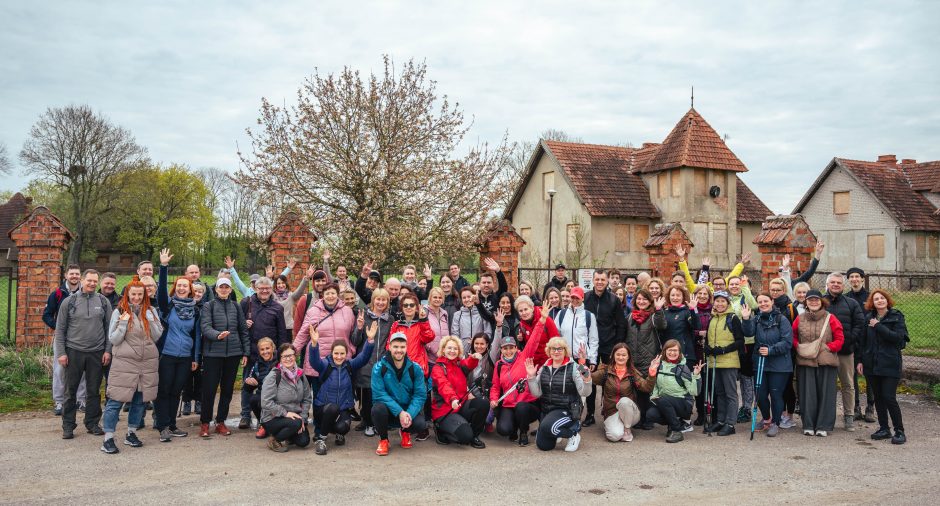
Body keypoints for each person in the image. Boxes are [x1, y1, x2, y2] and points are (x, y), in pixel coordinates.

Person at [100, 281, 162, 453]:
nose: (136, 298)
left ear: (144, 296)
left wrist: (151, 321)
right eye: (133, 294)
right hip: (124, 365)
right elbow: (113, 339)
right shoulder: (119, 311)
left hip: (146, 364)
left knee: (139, 401)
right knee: (115, 401)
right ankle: (108, 439)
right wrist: (122, 324)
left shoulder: (151, 311)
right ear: (127, 294)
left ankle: (131, 433)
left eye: (140, 295)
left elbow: (156, 336)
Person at [55, 269, 112, 440]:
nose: (92, 284)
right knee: (70, 391)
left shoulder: (103, 302)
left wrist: (108, 350)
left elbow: (109, 329)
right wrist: (61, 353)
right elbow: (60, 330)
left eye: (95, 281)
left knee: (93, 391)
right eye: (89, 280)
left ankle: (92, 423)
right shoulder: (69, 301)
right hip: (74, 352)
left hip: (97, 352)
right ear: (82, 280)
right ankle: (68, 425)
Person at [154, 249, 201, 442]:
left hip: (185, 357)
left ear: (190, 289)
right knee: (164, 390)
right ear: (176, 288)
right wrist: (163, 267)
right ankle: (162, 425)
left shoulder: (195, 310)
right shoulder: (168, 306)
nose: (182, 288)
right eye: (179, 286)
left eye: (185, 286)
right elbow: (161, 290)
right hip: (167, 354)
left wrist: (195, 358)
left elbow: (197, 336)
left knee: (176, 391)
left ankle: (172, 424)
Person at [308, 326, 376, 455]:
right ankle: (321, 439)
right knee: (333, 408)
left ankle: (338, 433)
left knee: (343, 427)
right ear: (331, 353)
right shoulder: (325, 365)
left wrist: (370, 340)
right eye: (336, 353)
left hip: (343, 408)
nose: (339, 357)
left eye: (342, 353)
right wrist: (314, 343)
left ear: (346, 354)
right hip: (323, 408)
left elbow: (364, 358)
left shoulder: (349, 365)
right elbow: (314, 361)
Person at [490, 307, 551, 446]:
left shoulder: (524, 356)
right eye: (505, 348)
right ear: (502, 350)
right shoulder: (499, 365)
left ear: (516, 348)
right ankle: (514, 428)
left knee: (521, 408)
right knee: (503, 430)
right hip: (509, 404)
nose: (509, 350)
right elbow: (495, 386)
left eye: (511, 347)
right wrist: (493, 399)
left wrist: (541, 320)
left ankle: (523, 431)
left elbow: (534, 339)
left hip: (527, 404)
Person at [198, 277, 249, 438]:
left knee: (227, 390)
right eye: (222, 287)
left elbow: (243, 330)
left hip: (233, 354)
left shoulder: (236, 306)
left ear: (231, 289)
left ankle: (221, 421)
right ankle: (205, 423)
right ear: (216, 289)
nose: (224, 289)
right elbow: (205, 327)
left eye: (227, 287)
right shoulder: (209, 305)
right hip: (213, 353)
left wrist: (245, 352)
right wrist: (217, 335)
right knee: (209, 389)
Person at [858, 290, 908, 444]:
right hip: (871, 364)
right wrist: (860, 361)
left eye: (882, 298)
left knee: (889, 397)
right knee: (878, 397)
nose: (879, 301)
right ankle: (884, 428)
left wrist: (879, 326)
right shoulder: (868, 318)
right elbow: (862, 342)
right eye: (876, 299)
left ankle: (899, 431)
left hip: (890, 363)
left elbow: (899, 339)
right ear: (872, 302)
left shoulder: (896, 316)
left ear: (887, 300)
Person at [238, 276, 288, 430]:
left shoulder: (277, 308)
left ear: (271, 289)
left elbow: (282, 333)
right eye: (261, 288)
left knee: (270, 386)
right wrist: (244, 324)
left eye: (267, 288)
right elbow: (238, 327)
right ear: (255, 288)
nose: (264, 291)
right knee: (248, 384)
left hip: (270, 355)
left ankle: (267, 417)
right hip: (251, 352)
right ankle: (245, 415)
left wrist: (281, 354)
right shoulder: (246, 303)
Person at [526, 336, 593, 452]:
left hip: (567, 409)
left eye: (560, 349)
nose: (556, 351)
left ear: (565, 351)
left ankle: (573, 433)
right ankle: (555, 429)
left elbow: (585, 392)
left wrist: (587, 379)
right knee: (543, 446)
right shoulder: (544, 367)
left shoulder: (575, 367)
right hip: (548, 410)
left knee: (547, 427)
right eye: (553, 349)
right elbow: (537, 394)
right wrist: (531, 377)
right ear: (549, 351)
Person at [792, 290, 844, 437]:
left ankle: (823, 425)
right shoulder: (800, 318)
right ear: (806, 302)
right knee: (807, 394)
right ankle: (808, 424)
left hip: (826, 360)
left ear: (822, 301)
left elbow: (840, 338)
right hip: (805, 360)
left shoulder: (831, 318)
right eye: (810, 300)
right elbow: (793, 335)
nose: (813, 302)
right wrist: (798, 347)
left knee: (826, 393)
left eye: (816, 300)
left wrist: (828, 347)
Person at [741, 292, 793, 437]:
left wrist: (771, 350)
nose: (763, 304)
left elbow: (787, 342)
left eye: (766, 301)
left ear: (772, 301)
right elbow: (748, 333)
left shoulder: (781, 319)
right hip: (760, 363)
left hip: (780, 365)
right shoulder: (756, 318)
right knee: (761, 394)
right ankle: (766, 419)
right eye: (760, 302)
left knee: (776, 394)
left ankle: (775, 422)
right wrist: (746, 318)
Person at [370, 331, 428, 456]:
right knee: (377, 409)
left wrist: (408, 414)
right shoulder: (379, 367)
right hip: (389, 411)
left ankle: (405, 431)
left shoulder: (415, 368)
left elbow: (420, 395)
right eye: (395, 346)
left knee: (420, 424)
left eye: (402, 347)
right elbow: (379, 394)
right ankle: (384, 439)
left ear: (407, 348)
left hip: (406, 410)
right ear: (389, 347)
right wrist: (400, 412)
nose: (399, 350)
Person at [823, 272, 864, 431]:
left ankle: (849, 417)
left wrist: (849, 339)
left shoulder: (852, 303)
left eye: (838, 282)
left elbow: (860, 324)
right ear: (828, 284)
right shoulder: (821, 301)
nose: (835, 285)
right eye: (832, 282)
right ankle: (828, 417)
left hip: (846, 352)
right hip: (826, 352)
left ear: (843, 285)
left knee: (848, 385)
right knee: (827, 386)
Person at [430, 335, 487, 448]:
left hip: (460, 406)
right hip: (445, 411)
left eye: (455, 349)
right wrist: (452, 398)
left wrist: (474, 358)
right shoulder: (438, 368)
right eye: (449, 348)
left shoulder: (458, 363)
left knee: (483, 403)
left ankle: (475, 435)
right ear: (443, 350)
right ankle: (440, 428)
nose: (452, 351)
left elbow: (468, 364)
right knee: (465, 437)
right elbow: (443, 385)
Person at [350, 288, 393, 437]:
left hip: (382, 364)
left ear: (388, 302)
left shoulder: (391, 319)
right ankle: (368, 423)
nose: (380, 302)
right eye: (378, 299)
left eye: (384, 300)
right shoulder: (364, 316)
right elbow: (354, 341)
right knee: (367, 397)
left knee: (379, 396)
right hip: (365, 364)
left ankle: (377, 423)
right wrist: (359, 327)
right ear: (373, 300)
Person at [44, 264, 86, 416]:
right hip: (62, 337)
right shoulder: (57, 294)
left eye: (77, 274)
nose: (74, 276)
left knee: (82, 369)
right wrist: (58, 327)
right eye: (72, 274)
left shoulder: (86, 292)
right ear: (66, 276)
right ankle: (59, 401)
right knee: (60, 369)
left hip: (81, 337)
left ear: (80, 276)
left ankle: (81, 400)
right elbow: (47, 314)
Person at [591, 343, 654, 442]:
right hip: (611, 412)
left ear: (628, 357)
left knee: (624, 401)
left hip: (630, 413)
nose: (621, 357)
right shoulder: (606, 371)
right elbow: (589, 377)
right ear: (613, 355)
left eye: (624, 355)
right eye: (618, 354)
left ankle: (627, 429)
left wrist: (652, 374)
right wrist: (581, 365)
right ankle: (616, 426)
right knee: (614, 436)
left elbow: (646, 388)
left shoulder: (632, 373)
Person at [562, 284, 604, 426]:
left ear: (582, 299)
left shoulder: (588, 316)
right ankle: (570, 413)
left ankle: (590, 414)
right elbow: (556, 335)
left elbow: (593, 339)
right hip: (566, 358)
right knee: (568, 386)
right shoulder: (562, 315)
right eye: (572, 297)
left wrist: (592, 360)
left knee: (587, 385)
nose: (574, 300)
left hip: (582, 359)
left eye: (577, 298)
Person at [703, 291, 744, 436]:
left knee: (730, 393)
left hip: (729, 361)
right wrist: (707, 348)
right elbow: (708, 338)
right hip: (714, 361)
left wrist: (724, 350)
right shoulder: (712, 318)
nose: (719, 304)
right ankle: (720, 420)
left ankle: (730, 423)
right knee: (719, 393)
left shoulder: (732, 318)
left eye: (723, 301)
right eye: (717, 301)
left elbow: (740, 341)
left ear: (728, 303)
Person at [625, 289, 666, 430]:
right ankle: (638, 418)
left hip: (648, 360)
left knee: (647, 391)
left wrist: (659, 310)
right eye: (639, 299)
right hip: (633, 360)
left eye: (645, 299)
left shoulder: (653, 316)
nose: (641, 302)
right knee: (635, 391)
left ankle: (648, 419)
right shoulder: (630, 316)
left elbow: (662, 326)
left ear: (650, 302)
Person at [646, 339, 702, 443]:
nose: (672, 353)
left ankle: (676, 430)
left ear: (679, 352)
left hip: (684, 403)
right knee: (650, 414)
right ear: (665, 351)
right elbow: (656, 386)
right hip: (665, 402)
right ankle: (673, 425)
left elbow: (694, 391)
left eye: (675, 350)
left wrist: (696, 375)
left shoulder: (682, 368)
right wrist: (654, 396)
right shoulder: (659, 366)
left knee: (663, 400)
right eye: (669, 350)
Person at [260, 343, 313, 452]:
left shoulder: (301, 375)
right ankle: (274, 440)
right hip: (273, 418)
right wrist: (285, 413)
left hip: (295, 417)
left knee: (304, 441)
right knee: (296, 423)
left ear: (295, 356)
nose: (288, 358)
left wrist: (302, 417)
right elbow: (266, 402)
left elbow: (307, 398)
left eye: (291, 355)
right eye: (285, 356)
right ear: (280, 358)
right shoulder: (274, 376)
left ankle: (288, 434)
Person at [846, 267, 875, 423]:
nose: (854, 279)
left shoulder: (871, 297)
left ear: (862, 279)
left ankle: (870, 407)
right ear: (849, 280)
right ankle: (855, 407)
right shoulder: (846, 298)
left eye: (857, 276)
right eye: (851, 277)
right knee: (852, 376)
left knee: (869, 375)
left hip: (869, 342)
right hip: (853, 341)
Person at [245, 337, 278, 439]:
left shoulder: (280, 361)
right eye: (262, 350)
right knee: (254, 399)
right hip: (263, 396)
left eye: (267, 348)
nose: (265, 352)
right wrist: (249, 383)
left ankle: (278, 424)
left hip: (278, 396)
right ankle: (264, 424)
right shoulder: (256, 364)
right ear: (259, 351)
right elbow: (248, 389)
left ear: (273, 348)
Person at [690, 285, 713, 425]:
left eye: (705, 294)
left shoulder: (714, 310)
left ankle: (713, 411)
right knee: (699, 383)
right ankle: (701, 413)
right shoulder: (691, 309)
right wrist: (699, 333)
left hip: (710, 351)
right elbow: (686, 330)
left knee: (711, 384)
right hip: (696, 350)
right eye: (700, 293)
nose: (703, 296)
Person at [517, 297, 560, 366]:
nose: (524, 313)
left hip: (549, 362)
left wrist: (554, 361)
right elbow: (528, 346)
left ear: (532, 308)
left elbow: (557, 341)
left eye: (526, 309)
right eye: (521, 311)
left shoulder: (546, 319)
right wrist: (521, 340)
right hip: (533, 365)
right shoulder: (522, 325)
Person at [661, 286, 698, 363]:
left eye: (678, 295)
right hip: (668, 354)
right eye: (673, 295)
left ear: (683, 297)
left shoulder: (688, 311)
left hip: (685, 354)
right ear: (668, 296)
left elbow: (696, 326)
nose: (675, 298)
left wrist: (693, 310)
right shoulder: (664, 312)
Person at [273, 263, 311, 335]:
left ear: (286, 284)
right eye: (278, 283)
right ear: (275, 285)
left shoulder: (290, 296)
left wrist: (306, 278)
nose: (281, 285)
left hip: (287, 328)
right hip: (274, 327)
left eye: (283, 283)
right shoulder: (272, 296)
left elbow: (300, 291)